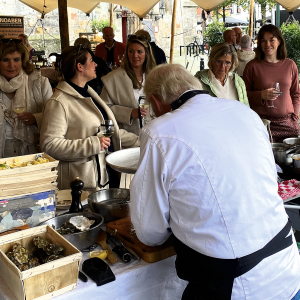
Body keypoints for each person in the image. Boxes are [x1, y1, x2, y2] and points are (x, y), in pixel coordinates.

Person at [130, 63, 300, 300]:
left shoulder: (158, 132)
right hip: (287, 265)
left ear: (157, 102)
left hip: (237, 284)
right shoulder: (244, 112)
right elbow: (268, 180)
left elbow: (150, 232)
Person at [40, 45, 139, 190]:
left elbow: (107, 132)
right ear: (80, 67)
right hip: (80, 183)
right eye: (91, 60)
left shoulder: (88, 93)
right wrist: (92, 145)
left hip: (104, 175)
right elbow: (49, 145)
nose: (96, 64)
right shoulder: (58, 102)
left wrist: (139, 141)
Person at [243, 24, 300, 142]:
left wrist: (295, 116)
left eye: (271, 40)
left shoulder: (290, 65)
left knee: (289, 159)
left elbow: (296, 94)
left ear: (279, 41)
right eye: (263, 41)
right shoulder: (252, 66)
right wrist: (260, 95)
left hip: (287, 123)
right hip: (262, 123)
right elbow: (242, 96)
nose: (267, 44)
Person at [0, 39, 52, 158]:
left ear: (23, 60)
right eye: (5, 60)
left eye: (16, 59)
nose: (11, 65)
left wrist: (36, 118)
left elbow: (54, 115)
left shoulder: (39, 82)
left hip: (31, 150)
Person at [100, 35, 157, 136]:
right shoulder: (113, 78)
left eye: (139, 52)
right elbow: (104, 109)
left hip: (155, 132)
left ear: (146, 53)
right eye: (131, 51)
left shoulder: (156, 76)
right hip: (128, 136)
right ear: (126, 53)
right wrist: (130, 113)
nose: (135, 55)